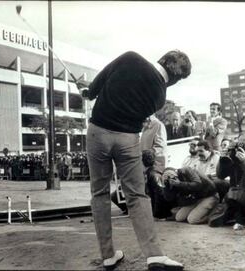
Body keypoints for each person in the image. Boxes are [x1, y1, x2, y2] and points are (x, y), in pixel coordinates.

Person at [81, 50, 191, 271]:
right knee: (137, 195)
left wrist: (87, 92)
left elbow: (98, 85)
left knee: (100, 193)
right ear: (176, 79)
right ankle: (154, 255)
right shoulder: (160, 98)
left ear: (162, 59)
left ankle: (108, 255)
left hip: (98, 133)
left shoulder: (131, 58)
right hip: (128, 140)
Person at [208, 133, 245, 230]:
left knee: (234, 196)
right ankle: (237, 215)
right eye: (241, 144)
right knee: (214, 221)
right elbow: (221, 175)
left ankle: (240, 216)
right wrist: (223, 159)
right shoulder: (234, 156)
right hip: (235, 195)